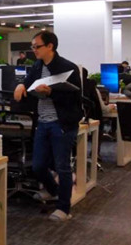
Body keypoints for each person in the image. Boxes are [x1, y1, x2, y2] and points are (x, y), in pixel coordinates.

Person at [13, 31, 81, 222]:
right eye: (32, 47)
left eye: (37, 46)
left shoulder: (68, 68)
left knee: (62, 166)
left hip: (61, 123)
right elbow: (28, 85)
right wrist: (21, 86)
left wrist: (51, 92)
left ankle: (64, 208)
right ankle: (54, 191)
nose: (34, 50)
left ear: (50, 46)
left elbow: (74, 99)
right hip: (42, 122)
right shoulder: (37, 66)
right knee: (38, 165)